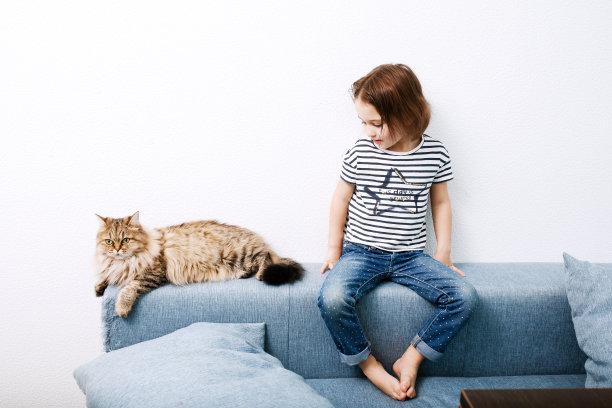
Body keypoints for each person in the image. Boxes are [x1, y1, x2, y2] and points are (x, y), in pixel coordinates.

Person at [318, 63, 479, 401]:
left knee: (464, 297)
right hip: (361, 252)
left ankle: (412, 357)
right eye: (363, 122)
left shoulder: (434, 153)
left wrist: (443, 252)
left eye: (376, 123)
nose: (369, 132)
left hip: (411, 257)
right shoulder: (360, 152)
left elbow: (441, 203)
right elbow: (340, 199)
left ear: (406, 114)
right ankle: (370, 367)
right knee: (331, 298)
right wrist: (334, 250)